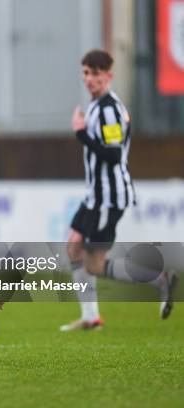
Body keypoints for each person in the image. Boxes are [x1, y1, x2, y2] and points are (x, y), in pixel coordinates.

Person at [60, 49, 179, 331]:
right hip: (95, 195)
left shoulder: (111, 109)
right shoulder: (97, 105)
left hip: (109, 196)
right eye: (86, 73)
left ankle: (158, 279)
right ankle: (91, 317)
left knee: (94, 265)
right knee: (74, 246)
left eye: (96, 74)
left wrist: (80, 134)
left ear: (109, 76)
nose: (90, 79)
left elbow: (113, 155)